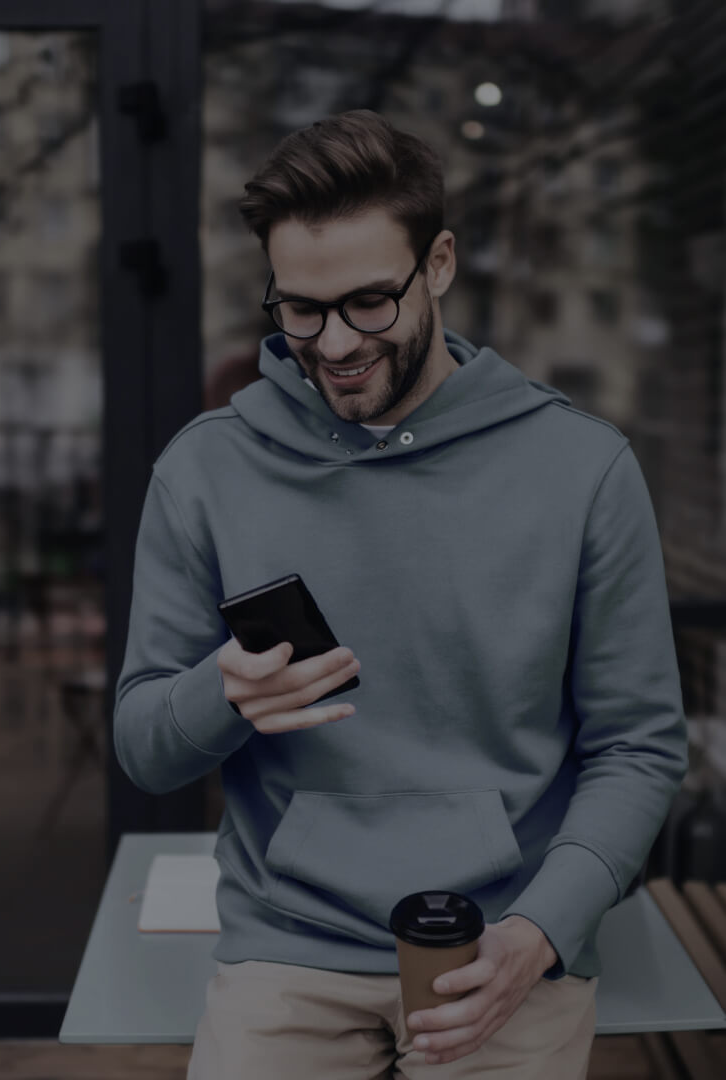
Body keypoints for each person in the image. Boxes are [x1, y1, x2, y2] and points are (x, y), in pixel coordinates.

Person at [113, 110, 688, 1079]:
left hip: (505, 943)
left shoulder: (580, 468)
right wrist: (221, 696)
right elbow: (142, 746)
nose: (334, 343)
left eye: (368, 302)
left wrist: (543, 932)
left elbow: (636, 745)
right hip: (286, 949)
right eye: (300, 309)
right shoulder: (204, 471)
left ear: (440, 265)